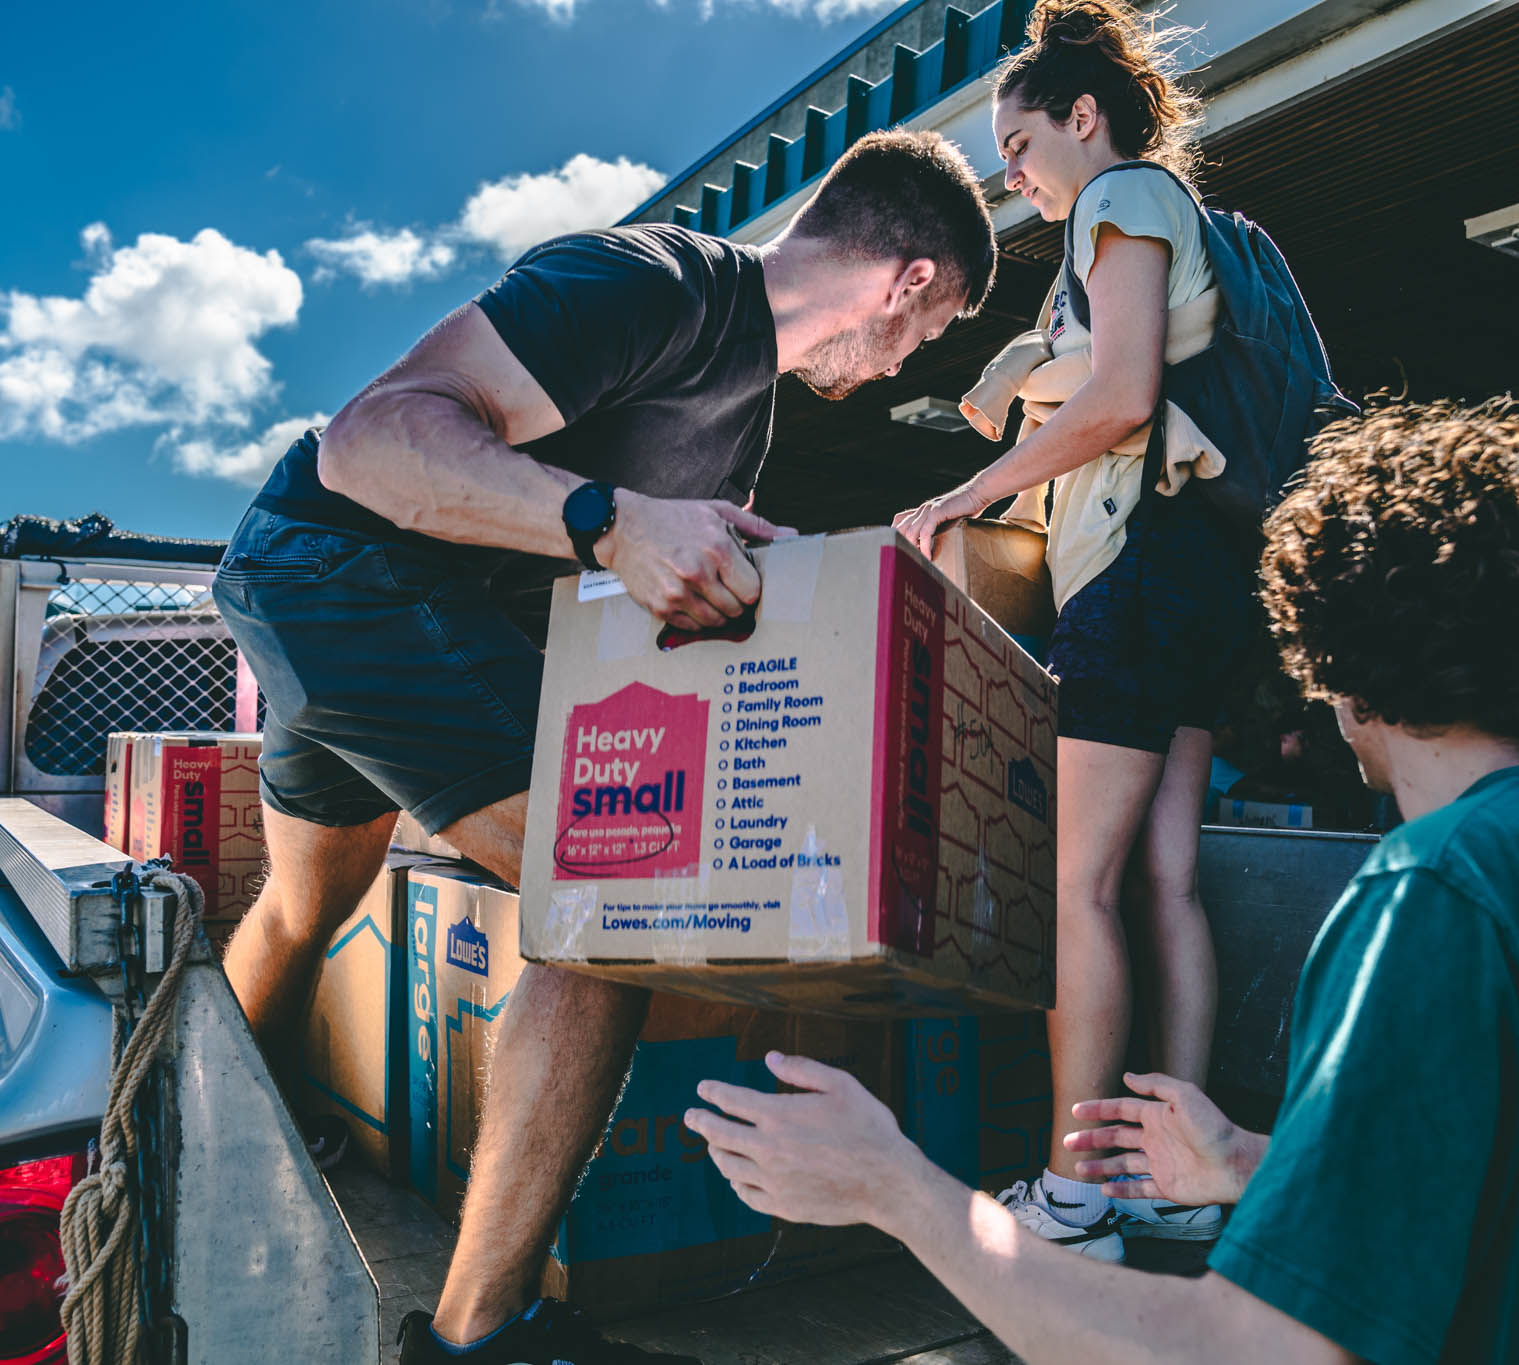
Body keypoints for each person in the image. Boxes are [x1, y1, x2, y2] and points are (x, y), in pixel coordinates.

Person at [688, 398, 1519, 1364]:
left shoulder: (1441, 884)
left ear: (1341, 650)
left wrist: (900, 1192)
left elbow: (1244, 1346)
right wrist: (1269, 1168)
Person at [210, 129, 997, 1365]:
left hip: (364, 614)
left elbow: (618, 583)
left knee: (309, 906)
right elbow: (368, 442)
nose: (913, 357)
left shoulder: (740, 419)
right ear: (908, 283)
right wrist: (607, 520)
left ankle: (217, 1146)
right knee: (618, 895)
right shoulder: (658, 284)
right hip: (351, 576)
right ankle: (481, 1336)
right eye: (933, 328)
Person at [892, 0, 1244, 1251]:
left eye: (1019, 144)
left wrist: (965, 492)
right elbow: (1114, 382)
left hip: (1137, 571)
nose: (1010, 173)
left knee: (1071, 886)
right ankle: (1176, 1177)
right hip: (1196, 571)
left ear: (1081, 119)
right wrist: (1012, 376)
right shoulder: (1132, 220)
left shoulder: (1121, 200)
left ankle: (1078, 1187)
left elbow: (1122, 393)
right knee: (1161, 882)